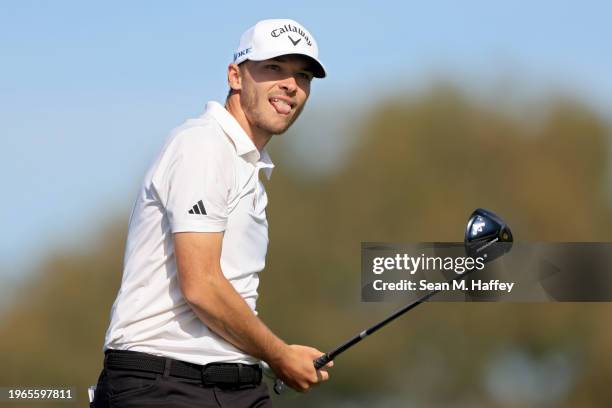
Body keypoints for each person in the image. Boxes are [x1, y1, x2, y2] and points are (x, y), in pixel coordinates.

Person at [91, 18, 331, 408]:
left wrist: (270, 357)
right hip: (162, 385)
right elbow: (202, 285)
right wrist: (280, 355)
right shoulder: (203, 145)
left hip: (234, 385)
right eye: (274, 68)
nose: (291, 85)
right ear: (235, 76)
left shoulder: (246, 164)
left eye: (303, 76)